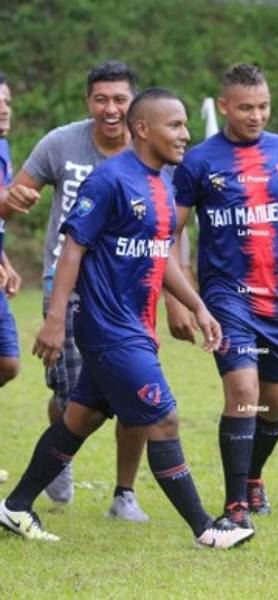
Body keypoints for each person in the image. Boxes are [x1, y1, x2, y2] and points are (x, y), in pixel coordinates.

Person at [0, 88, 254, 549]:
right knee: (164, 419)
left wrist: (197, 305)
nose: (185, 134)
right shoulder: (109, 180)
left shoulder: (163, 183)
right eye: (174, 125)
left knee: (80, 419)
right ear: (143, 129)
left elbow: (161, 255)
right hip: (108, 330)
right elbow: (72, 249)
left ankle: (15, 506)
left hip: (136, 325)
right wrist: (55, 319)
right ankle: (206, 528)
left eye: (184, 124)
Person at [171, 63, 278, 528]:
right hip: (227, 298)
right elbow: (171, 232)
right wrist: (178, 297)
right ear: (224, 106)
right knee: (243, 391)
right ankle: (235, 507)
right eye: (246, 107)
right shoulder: (199, 162)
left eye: (263, 106)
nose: (256, 115)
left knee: (275, 402)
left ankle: (253, 477)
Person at [0, 61, 151, 519]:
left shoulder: (150, 148)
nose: (111, 109)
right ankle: (58, 458)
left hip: (131, 292)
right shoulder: (61, 143)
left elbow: (171, 222)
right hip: (66, 286)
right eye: (101, 99)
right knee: (74, 400)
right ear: (88, 102)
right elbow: (11, 201)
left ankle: (124, 494)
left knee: (139, 390)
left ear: (134, 105)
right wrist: (12, 201)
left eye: (120, 99)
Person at [0, 72, 22, 485]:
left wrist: (5, 260)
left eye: (5, 102)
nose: (3, 110)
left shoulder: (3, 147)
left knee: (8, 363)